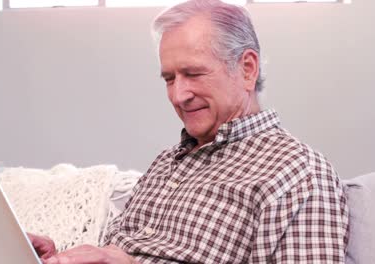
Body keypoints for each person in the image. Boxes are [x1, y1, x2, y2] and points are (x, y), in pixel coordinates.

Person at [32, 0, 349, 263]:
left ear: (247, 68)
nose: (178, 95)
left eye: (193, 73)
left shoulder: (297, 172)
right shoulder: (167, 162)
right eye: (169, 78)